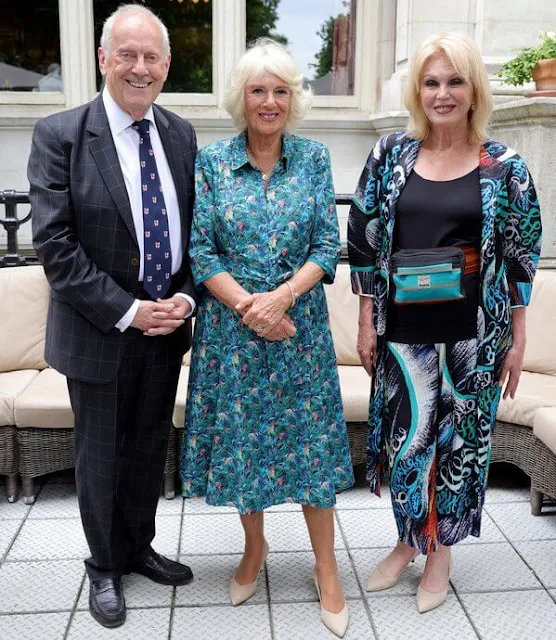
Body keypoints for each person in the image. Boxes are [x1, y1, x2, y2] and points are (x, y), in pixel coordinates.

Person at [348, 32, 542, 613]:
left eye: (454, 81)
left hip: (474, 337)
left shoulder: (504, 166)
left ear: (473, 89)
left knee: (458, 448)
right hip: (402, 333)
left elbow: (521, 254)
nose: (442, 93)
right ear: (418, 91)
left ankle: (441, 553)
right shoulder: (390, 154)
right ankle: (410, 540)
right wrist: (365, 319)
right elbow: (363, 240)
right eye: (431, 82)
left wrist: (518, 339)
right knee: (408, 446)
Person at [28, 4, 197, 629]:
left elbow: (191, 232)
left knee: (148, 446)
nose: (140, 67)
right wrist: (127, 310)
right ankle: (103, 565)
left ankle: (135, 547)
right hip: (100, 330)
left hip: (165, 329)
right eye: (126, 53)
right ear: (103, 60)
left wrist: (183, 296)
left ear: (167, 66)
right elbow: (55, 247)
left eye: (152, 56)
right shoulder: (61, 135)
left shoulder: (180, 134)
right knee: (101, 453)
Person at [180, 38, 354, 637]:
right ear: (242, 99)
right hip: (234, 334)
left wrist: (282, 298)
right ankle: (253, 551)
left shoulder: (314, 159)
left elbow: (327, 247)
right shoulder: (211, 163)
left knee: (312, 453)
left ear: (293, 99)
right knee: (245, 448)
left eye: (281, 90)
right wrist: (251, 307)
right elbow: (201, 250)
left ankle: (326, 567)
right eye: (259, 90)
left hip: (298, 331)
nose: (270, 101)